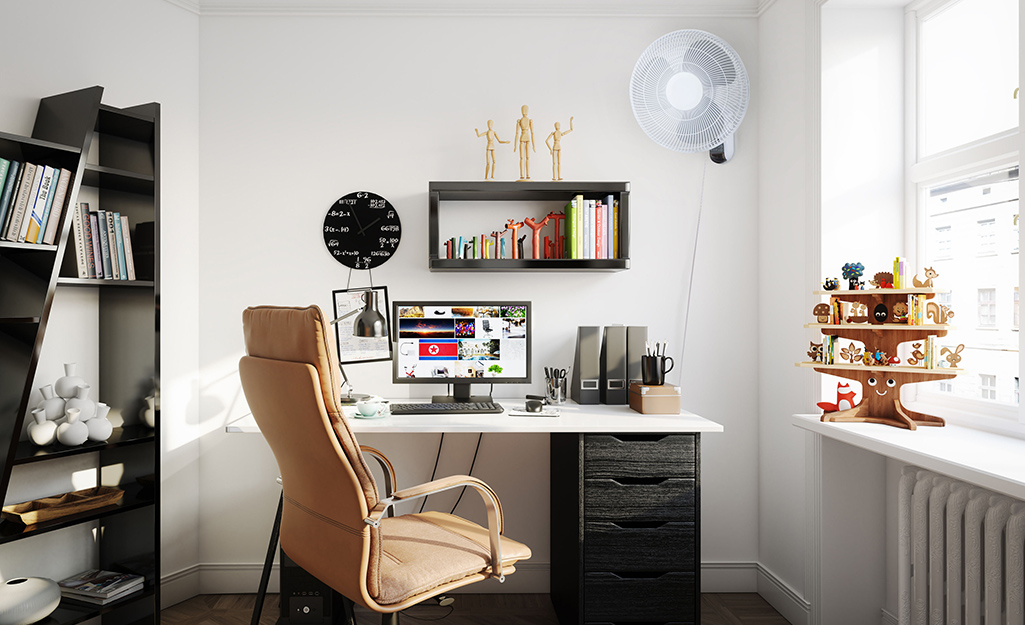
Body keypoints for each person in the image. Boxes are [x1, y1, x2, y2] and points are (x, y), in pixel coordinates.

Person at [545, 117, 573, 181]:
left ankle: (559, 176)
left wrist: (570, 121)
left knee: (559, 162)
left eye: (558, 125)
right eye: (557, 125)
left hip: (558, 147)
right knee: (554, 163)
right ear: (555, 126)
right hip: (554, 147)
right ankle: (554, 177)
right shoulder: (553, 133)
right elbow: (546, 141)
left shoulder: (560, 133)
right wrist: (550, 149)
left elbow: (571, 129)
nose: (558, 126)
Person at [512, 104, 535, 180]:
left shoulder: (529, 120)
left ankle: (527, 174)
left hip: (526, 138)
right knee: (522, 158)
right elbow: (517, 133)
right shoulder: (520, 121)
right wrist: (515, 145)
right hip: (523, 138)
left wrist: (534, 145)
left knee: (526, 157)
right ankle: (522, 175)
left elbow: (532, 133)